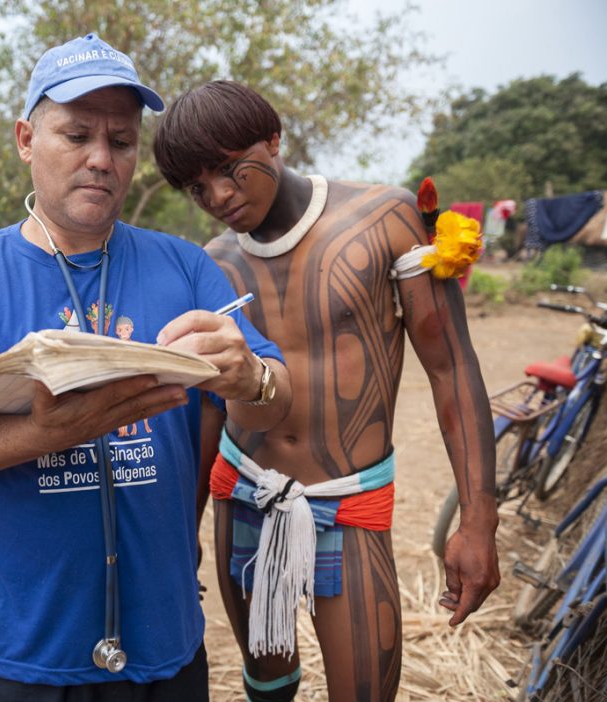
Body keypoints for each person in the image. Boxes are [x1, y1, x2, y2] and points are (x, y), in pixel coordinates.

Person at [0, 34, 292, 701]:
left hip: (163, 643)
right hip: (24, 650)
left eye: (122, 141)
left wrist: (251, 376)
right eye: (75, 135)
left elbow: (278, 402)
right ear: (26, 138)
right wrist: (50, 432)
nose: (100, 160)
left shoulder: (188, 267)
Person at [152, 80, 500, 701]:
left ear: (274, 140)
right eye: (199, 187)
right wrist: (183, 537)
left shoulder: (384, 220)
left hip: (349, 501)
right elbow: (209, 406)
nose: (220, 196)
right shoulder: (215, 261)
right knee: (267, 686)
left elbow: (451, 370)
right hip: (244, 494)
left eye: (233, 170)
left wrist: (478, 521)